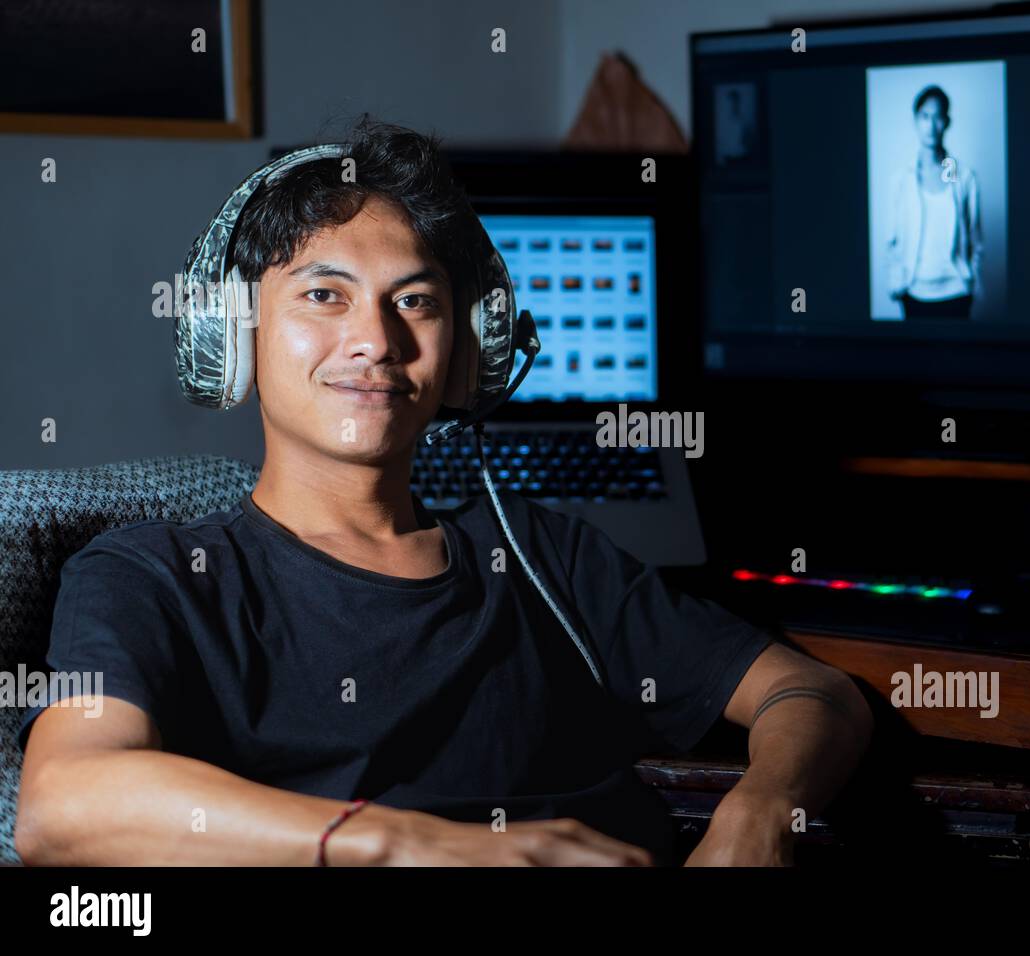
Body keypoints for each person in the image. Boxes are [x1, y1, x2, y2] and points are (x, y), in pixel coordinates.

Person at [14, 119, 871, 867]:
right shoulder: (154, 577)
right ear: (231, 334)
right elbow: (65, 804)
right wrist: (402, 843)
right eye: (324, 295)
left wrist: (762, 813)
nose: (376, 341)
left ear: (468, 356)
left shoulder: (544, 557)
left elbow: (814, 695)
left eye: (414, 302)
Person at [885, 85, 983, 319]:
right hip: (914, 293)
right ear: (915, 121)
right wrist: (897, 282)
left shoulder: (965, 177)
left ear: (947, 122)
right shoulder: (901, 179)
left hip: (956, 293)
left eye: (938, 117)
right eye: (925, 117)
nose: (931, 125)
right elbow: (892, 240)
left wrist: (971, 281)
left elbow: (976, 240)